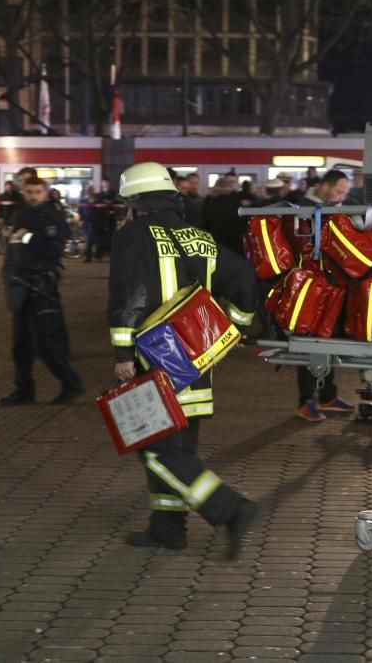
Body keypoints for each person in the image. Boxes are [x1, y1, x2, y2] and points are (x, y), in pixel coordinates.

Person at [108, 161, 259, 557]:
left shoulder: (133, 236)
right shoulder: (201, 238)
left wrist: (123, 351)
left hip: (152, 362)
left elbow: (129, 298)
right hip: (195, 363)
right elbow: (244, 277)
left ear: (135, 202)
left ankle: (229, 508)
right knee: (180, 449)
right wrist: (236, 327)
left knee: (156, 450)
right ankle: (168, 528)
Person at [0, 178, 83, 406]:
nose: (33, 195)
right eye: (29, 191)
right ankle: (24, 390)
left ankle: (71, 383)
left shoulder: (52, 216)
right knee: (21, 345)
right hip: (20, 287)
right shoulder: (19, 214)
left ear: (46, 194)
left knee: (47, 343)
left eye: (37, 191)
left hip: (41, 288)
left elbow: (53, 251)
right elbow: (13, 251)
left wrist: (26, 237)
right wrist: (7, 275)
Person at [292, 168, 354, 422]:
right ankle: (306, 401)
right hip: (308, 286)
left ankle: (328, 396)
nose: (341, 197)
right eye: (339, 191)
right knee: (309, 343)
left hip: (330, 285)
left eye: (344, 193)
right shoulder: (298, 208)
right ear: (325, 186)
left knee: (327, 341)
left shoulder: (331, 208)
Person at [87, 178, 117, 262]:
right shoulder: (99, 195)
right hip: (100, 220)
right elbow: (95, 205)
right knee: (100, 238)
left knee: (110, 238)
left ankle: (110, 255)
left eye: (107, 183)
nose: (105, 185)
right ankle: (98, 255)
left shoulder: (114, 194)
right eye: (104, 183)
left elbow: (117, 203)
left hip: (110, 219)